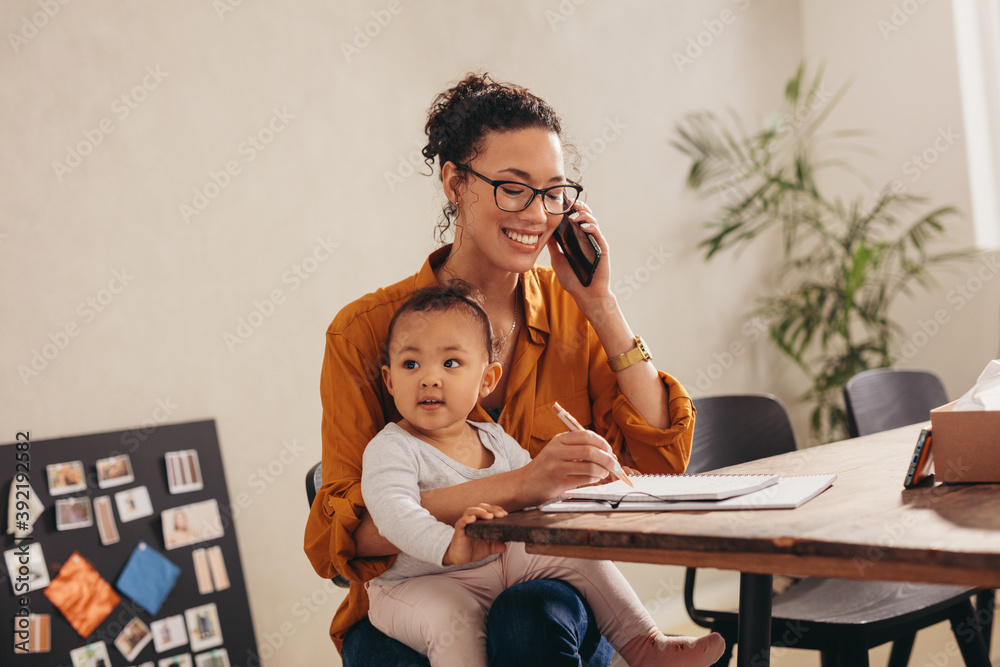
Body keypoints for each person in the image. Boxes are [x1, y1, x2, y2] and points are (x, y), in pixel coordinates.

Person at [304, 72, 697, 666]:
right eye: (513, 189)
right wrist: (519, 485)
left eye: (555, 191)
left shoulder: (574, 309)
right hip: (418, 597)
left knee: (528, 617)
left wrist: (602, 305)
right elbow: (351, 536)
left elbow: (661, 462)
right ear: (455, 184)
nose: (538, 214)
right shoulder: (364, 332)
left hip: (543, 592)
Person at [361, 283, 724, 666]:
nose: (429, 378)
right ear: (389, 380)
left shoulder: (494, 439)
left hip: (494, 566)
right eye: (411, 364)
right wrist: (449, 546)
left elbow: (540, 497)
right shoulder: (392, 447)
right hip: (417, 586)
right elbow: (392, 514)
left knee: (574, 553)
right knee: (455, 620)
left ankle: (646, 645)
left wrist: (586, 482)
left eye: (450, 364)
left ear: (486, 381)